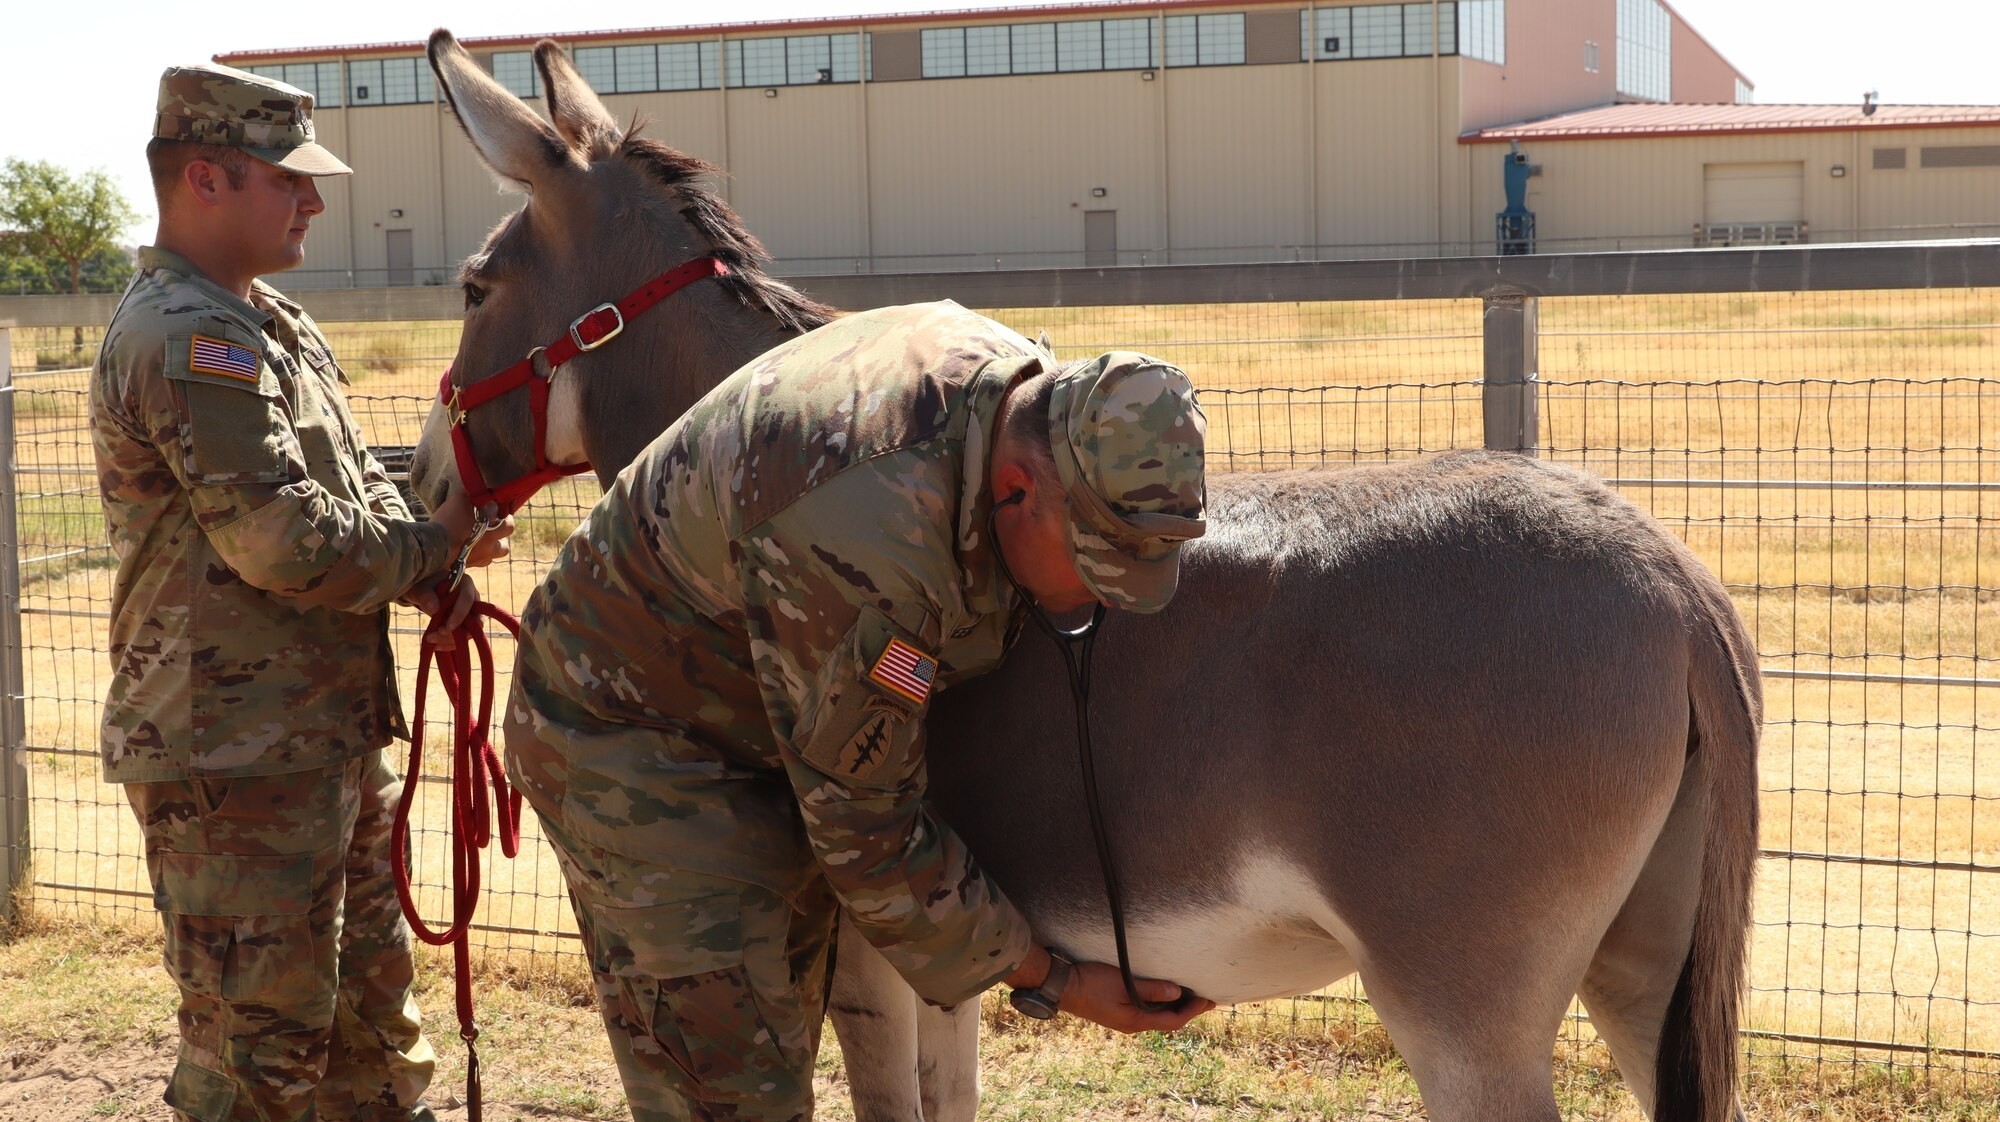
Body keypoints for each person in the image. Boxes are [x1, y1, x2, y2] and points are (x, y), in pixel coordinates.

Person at [505, 299, 1215, 1121]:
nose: (1103, 600)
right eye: (1093, 565)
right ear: (1018, 489)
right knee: (730, 1089)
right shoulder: (871, 540)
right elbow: (868, 837)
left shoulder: (1024, 396)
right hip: (631, 739)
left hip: (754, 713)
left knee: (780, 1018)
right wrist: (1055, 980)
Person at [90, 63, 510, 1122]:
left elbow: (351, 482)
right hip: (229, 757)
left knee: (370, 1035)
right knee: (257, 1060)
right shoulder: (191, 337)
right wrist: (434, 545)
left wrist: (433, 572)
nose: (314, 200)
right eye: (289, 179)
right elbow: (281, 540)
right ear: (205, 179)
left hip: (312, 737)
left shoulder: (266, 320)